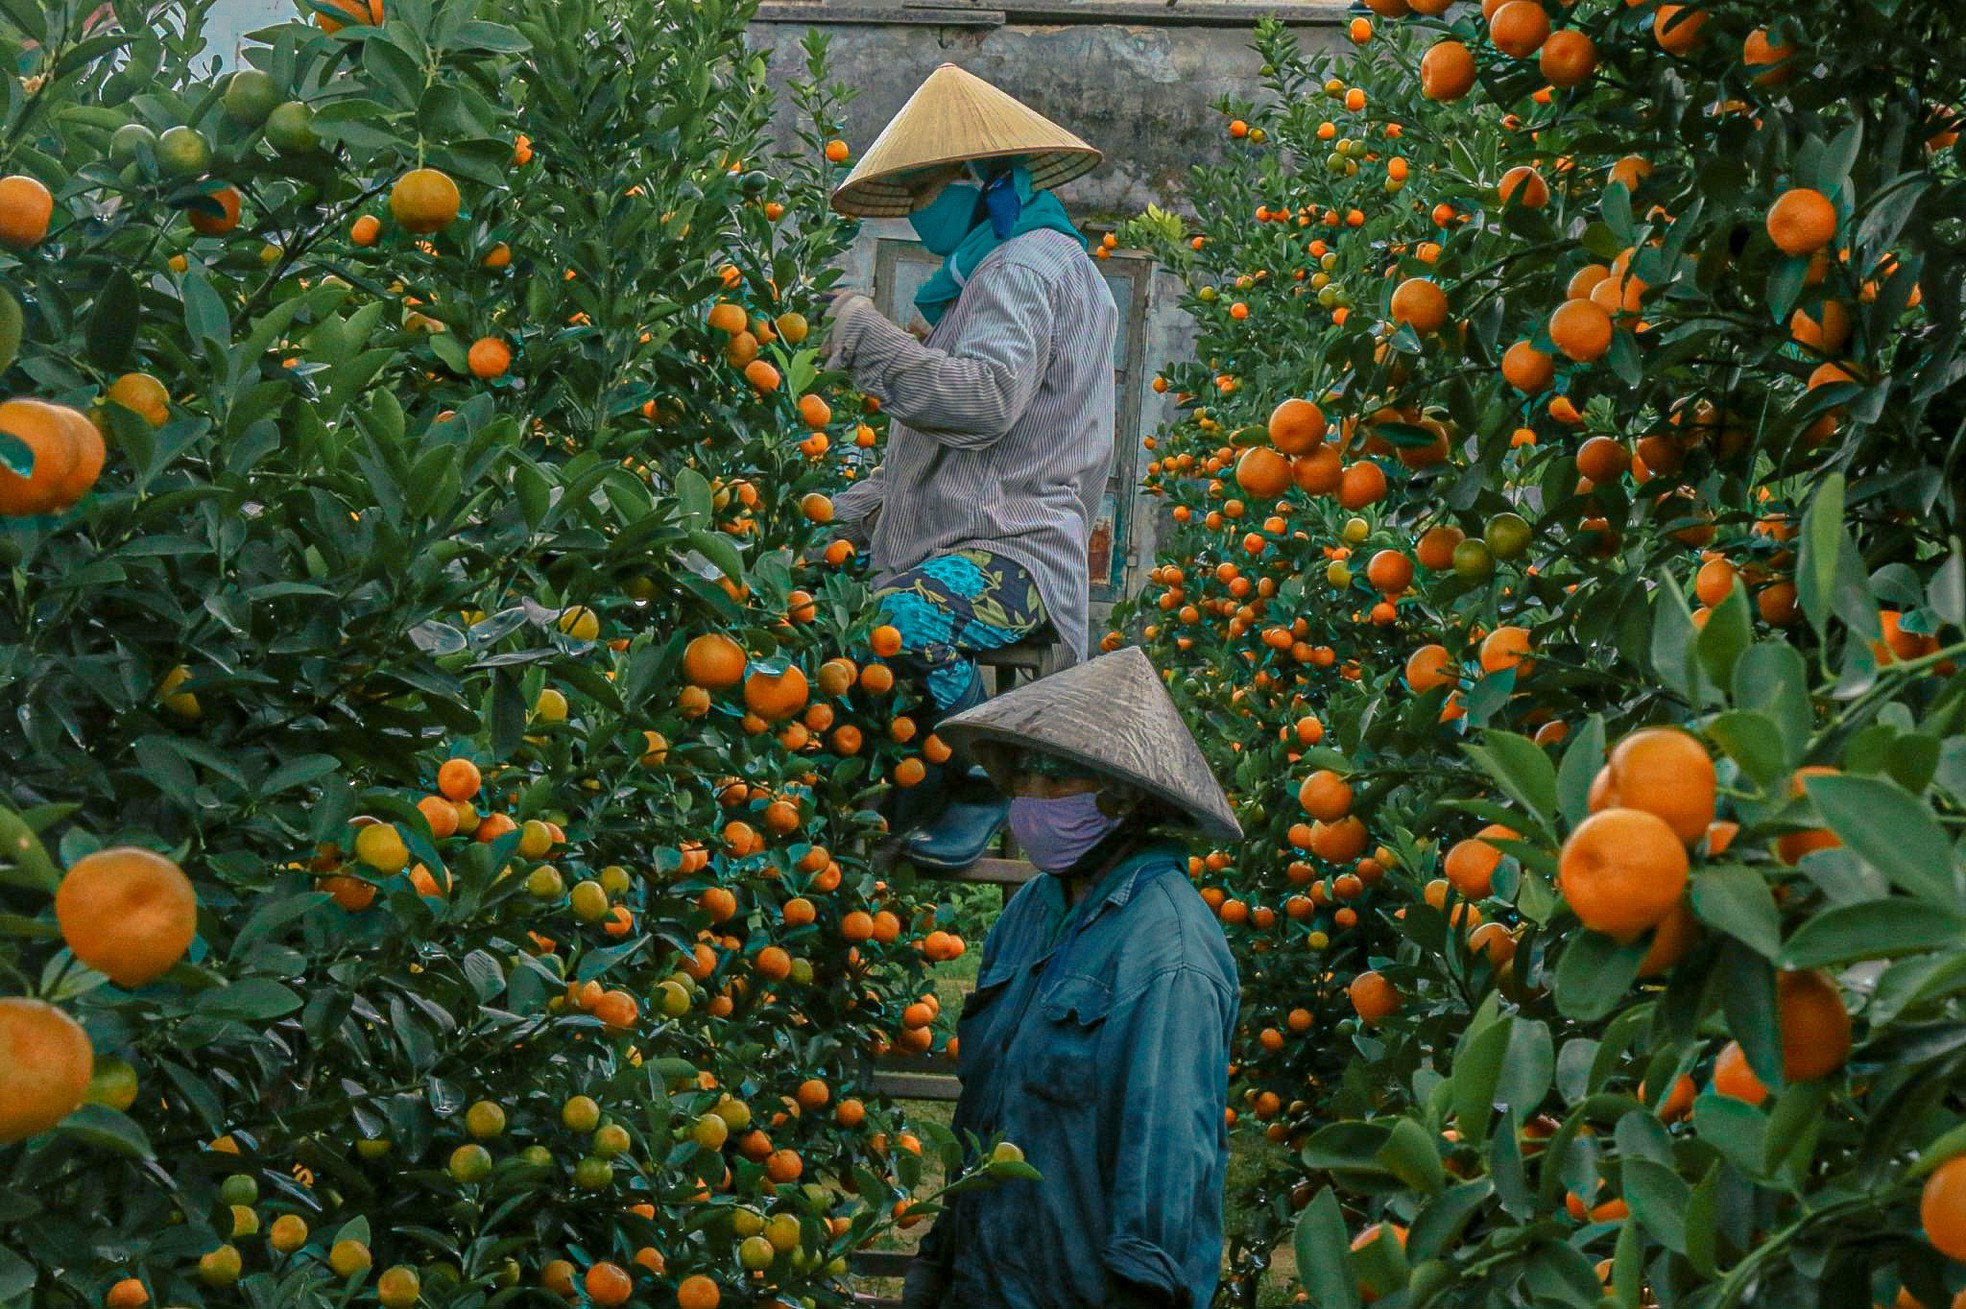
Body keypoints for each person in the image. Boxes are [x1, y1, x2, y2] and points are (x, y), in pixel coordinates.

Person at [821, 64, 1120, 871]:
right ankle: (894, 797)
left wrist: (866, 337)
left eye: (926, 189)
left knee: (905, 622)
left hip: (1011, 553)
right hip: (967, 542)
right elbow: (937, 456)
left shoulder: (1023, 267)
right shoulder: (990, 275)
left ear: (980, 178)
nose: (919, 212)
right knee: (838, 625)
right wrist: (832, 514)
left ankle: (979, 774)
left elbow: (982, 402)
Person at [899, 645, 1244, 1309]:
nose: (1028, 799)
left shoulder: (1167, 950)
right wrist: (936, 1262)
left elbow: (1165, 1175)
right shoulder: (1032, 910)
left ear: (1122, 799)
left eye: (1054, 780)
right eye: (1023, 775)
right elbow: (988, 1108)